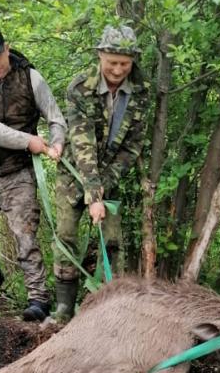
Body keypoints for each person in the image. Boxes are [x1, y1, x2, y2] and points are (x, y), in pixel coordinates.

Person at [0, 24, 66, 322]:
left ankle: (38, 299)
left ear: (7, 48)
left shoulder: (31, 77)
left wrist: (57, 142)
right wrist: (28, 141)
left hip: (19, 173)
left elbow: (56, 118)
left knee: (26, 237)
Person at [52, 25, 149, 321]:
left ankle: (108, 311)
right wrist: (93, 195)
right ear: (100, 55)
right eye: (112, 62)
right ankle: (64, 309)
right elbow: (82, 144)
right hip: (75, 173)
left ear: (132, 60)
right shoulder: (79, 87)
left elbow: (133, 146)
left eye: (124, 63)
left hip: (111, 177)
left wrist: (104, 187)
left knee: (113, 241)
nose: (118, 70)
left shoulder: (141, 91)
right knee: (66, 235)